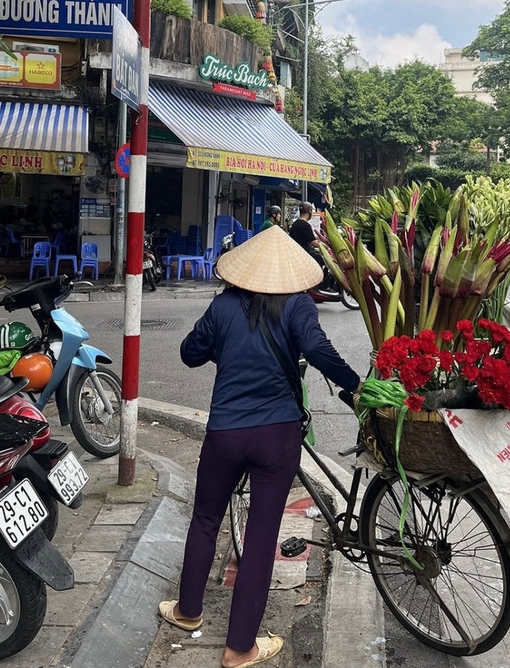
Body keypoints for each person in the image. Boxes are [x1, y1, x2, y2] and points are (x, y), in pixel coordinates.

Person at [159, 226, 361, 668]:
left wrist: (225, 346)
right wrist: (355, 385)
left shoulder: (223, 304)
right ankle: (239, 648)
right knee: (262, 535)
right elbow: (316, 348)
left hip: (225, 434)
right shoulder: (299, 305)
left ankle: (187, 611)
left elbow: (190, 353)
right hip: (277, 435)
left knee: (206, 518)